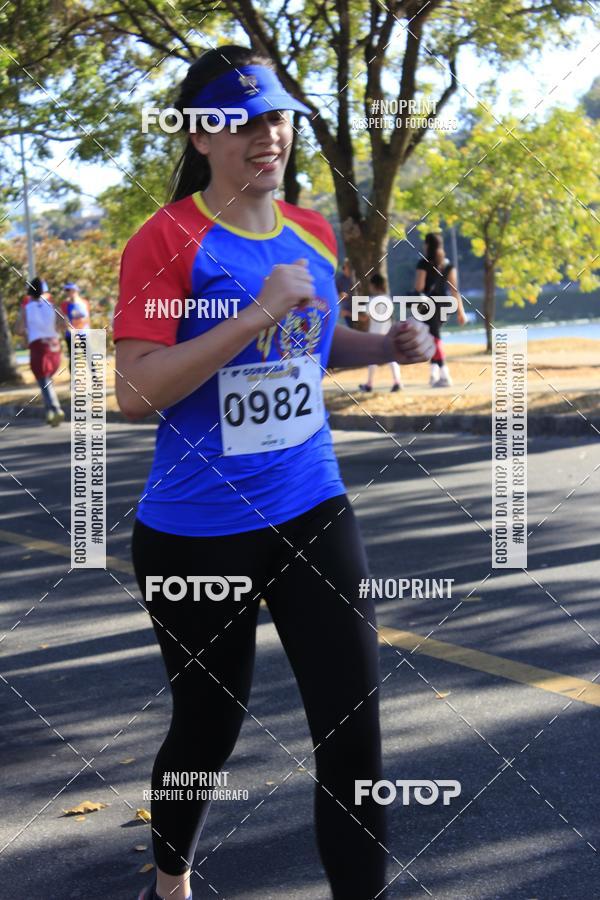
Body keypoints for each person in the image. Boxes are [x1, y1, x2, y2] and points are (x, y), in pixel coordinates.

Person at [113, 45, 434, 900]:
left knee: (354, 732)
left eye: (279, 115)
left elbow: (311, 348)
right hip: (196, 532)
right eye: (244, 118)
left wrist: (383, 346)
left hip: (311, 507)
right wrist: (253, 313)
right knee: (208, 728)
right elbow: (137, 391)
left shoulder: (314, 232)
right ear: (201, 134)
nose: (269, 134)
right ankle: (171, 878)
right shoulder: (165, 238)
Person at [414, 232, 466, 387]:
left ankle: (444, 374)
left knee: (435, 339)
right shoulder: (448, 265)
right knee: (432, 337)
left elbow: (419, 287)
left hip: (429, 306)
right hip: (445, 305)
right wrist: (460, 311)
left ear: (428, 245)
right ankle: (433, 374)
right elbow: (454, 290)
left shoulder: (423, 263)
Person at [15, 277, 65, 426]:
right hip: (54, 345)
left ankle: (55, 408)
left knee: (43, 379)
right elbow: (63, 324)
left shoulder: (26, 308)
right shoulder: (54, 307)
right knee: (47, 379)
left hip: (38, 346)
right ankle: (49, 412)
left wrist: (27, 332)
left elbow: (18, 329)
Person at [359, 274, 403, 393]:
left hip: (374, 334)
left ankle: (369, 384)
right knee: (391, 358)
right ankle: (397, 382)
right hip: (387, 332)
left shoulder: (372, 300)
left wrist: (349, 313)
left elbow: (364, 317)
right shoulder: (388, 299)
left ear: (374, 285)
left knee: (372, 360)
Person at [60, 282, 91, 369]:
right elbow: (64, 318)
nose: (69, 292)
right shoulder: (65, 304)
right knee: (73, 358)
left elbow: (87, 318)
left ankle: (95, 378)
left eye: (70, 290)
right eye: (67, 290)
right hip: (71, 335)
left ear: (76, 290)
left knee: (89, 355)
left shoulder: (84, 302)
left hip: (84, 333)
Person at [335, 257, 354, 327]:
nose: (343, 270)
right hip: (344, 314)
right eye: (343, 268)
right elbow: (334, 294)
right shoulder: (340, 280)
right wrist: (340, 295)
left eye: (345, 267)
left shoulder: (355, 278)